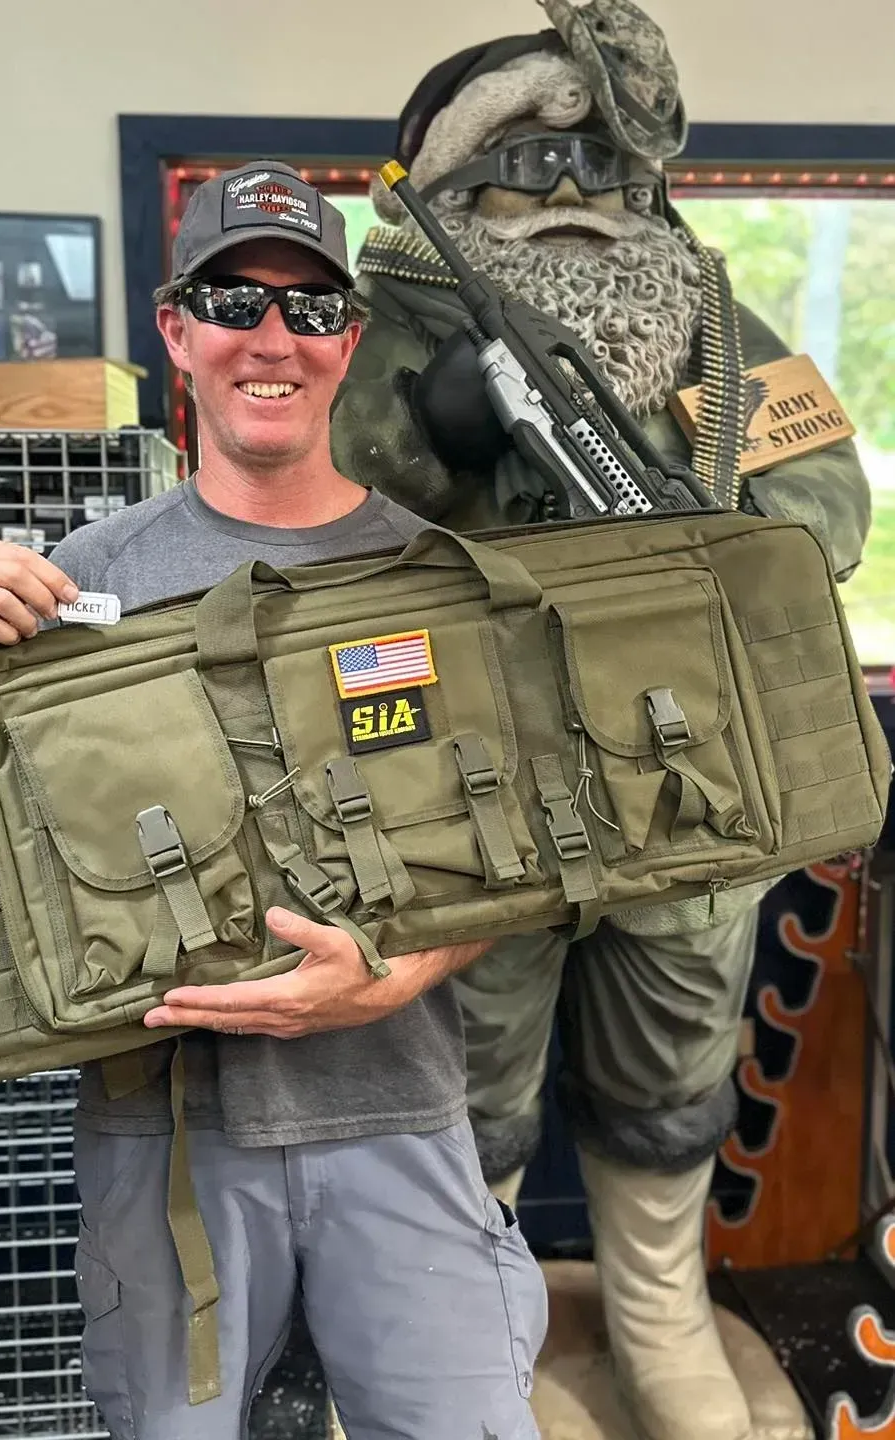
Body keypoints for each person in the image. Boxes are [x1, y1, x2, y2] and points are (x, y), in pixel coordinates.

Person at [0, 160, 548, 1440]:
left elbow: (529, 850)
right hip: (166, 1148)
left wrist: (394, 978)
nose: (273, 340)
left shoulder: (441, 578)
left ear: (349, 340)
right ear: (177, 331)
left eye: (311, 308)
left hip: (402, 1109)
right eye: (233, 301)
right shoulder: (76, 584)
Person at [329, 5, 872, 1439]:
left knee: (674, 1054)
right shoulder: (389, 323)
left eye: (593, 159)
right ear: (447, 184)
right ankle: (474, 1322)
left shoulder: (713, 327)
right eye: (522, 160)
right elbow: (326, 509)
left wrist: (694, 521)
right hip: (470, 783)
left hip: (692, 780)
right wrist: (435, 429)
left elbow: (827, 505)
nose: (565, 191)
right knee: (469, 1071)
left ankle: (657, 1315)